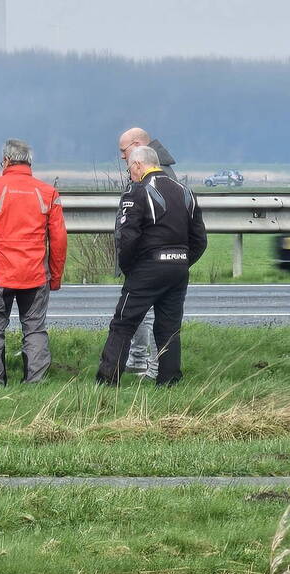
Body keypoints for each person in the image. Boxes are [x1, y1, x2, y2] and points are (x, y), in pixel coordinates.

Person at [96, 146, 207, 386]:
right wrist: (184, 261)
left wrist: (130, 268)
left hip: (147, 268)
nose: (130, 174)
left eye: (130, 169)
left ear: (138, 165)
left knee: (123, 323)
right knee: (169, 328)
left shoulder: (138, 191)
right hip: (179, 267)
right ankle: (169, 382)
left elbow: (127, 237)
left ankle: (106, 381)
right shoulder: (186, 192)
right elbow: (200, 240)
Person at [0, 139, 68, 385]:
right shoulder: (48, 193)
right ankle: (35, 382)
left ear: (6, 161)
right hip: (35, 274)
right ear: (29, 162)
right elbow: (59, 238)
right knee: (34, 328)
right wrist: (56, 275)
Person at [116, 127, 177, 376]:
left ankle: (149, 364)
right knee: (147, 314)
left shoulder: (158, 175)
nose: (122, 157)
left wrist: (132, 257)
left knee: (148, 313)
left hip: (149, 258)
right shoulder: (153, 171)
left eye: (124, 150)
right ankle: (141, 359)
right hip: (151, 257)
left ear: (138, 145)